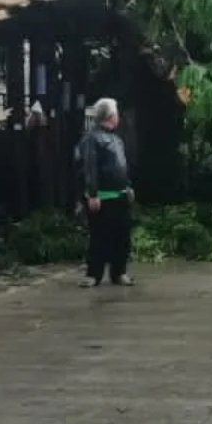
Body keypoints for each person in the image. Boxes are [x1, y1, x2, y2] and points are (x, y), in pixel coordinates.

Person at [76, 98, 136, 288]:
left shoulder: (116, 139)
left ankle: (119, 272)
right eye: (116, 113)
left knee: (121, 236)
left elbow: (122, 166)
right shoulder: (92, 138)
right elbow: (89, 167)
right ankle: (94, 274)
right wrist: (92, 194)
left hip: (119, 194)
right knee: (99, 236)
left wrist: (128, 186)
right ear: (110, 116)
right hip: (101, 197)